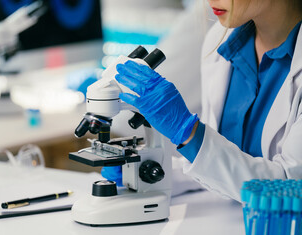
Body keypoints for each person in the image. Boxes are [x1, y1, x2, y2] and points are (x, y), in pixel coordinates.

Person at [103, 0, 302, 202]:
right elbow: (227, 163)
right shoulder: (221, 40)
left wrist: (189, 133)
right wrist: (146, 172)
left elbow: (292, 189)